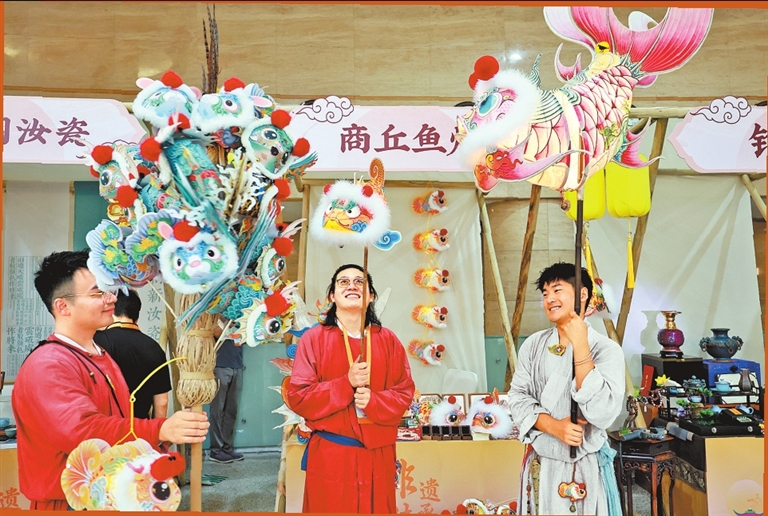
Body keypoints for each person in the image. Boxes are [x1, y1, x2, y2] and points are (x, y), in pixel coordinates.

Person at [11, 250, 209, 511]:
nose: (111, 298)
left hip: (112, 492)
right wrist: (158, 429)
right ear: (62, 306)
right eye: (98, 293)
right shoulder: (48, 363)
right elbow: (82, 433)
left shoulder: (100, 355)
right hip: (74, 502)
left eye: (109, 290)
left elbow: (118, 421)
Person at [285, 264, 415, 514]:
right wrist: (345, 383)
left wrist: (374, 401)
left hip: (378, 455)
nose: (352, 285)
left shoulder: (388, 339)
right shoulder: (314, 339)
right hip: (332, 455)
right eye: (343, 282)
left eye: (359, 281)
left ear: (371, 296)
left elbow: (404, 391)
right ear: (332, 296)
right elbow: (299, 397)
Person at [508, 262, 625, 516]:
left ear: (582, 294)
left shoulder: (606, 350)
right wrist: (554, 426)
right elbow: (517, 397)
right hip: (542, 462)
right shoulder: (533, 345)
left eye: (557, 290)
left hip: (585, 466)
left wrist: (581, 345)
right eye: (545, 293)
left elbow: (603, 412)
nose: (549, 299)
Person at [93, 289, 172, 419]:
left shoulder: (95, 342)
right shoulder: (154, 347)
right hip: (140, 427)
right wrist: (157, 430)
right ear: (136, 318)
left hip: (105, 427)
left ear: (110, 311)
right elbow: (162, 402)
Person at [207, 327, 245, 464]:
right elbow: (216, 332)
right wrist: (229, 322)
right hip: (220, 365)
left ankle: (227, 448)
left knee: (231, 410)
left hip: (237, 364)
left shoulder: (241, 318)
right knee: (217, 409)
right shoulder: (217, 316)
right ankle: (216, 450)